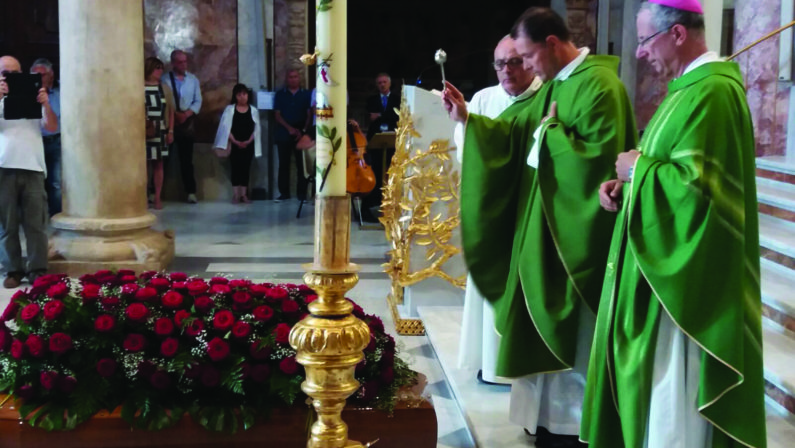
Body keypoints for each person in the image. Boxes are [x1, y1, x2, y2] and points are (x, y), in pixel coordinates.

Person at [443, 7, 636, 447]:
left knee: (575, 331)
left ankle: (575, 425)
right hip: (542, 229)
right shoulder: (558, 84)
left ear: (551, 44)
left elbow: (598, 160)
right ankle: (546, 420)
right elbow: (518, 133)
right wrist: (468, 120)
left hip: (576, 237)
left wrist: (549, 136)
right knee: (539, 320)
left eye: (527, 57)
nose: (525, 67)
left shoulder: (600, 84)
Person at [580, 1, 765, 447]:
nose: (640, 53)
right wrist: (626, 184)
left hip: (685, 287)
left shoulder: (714, 92)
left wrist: (635, 171)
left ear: (678, 34)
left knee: (670, 399)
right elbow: (666, 167)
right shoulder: (687, 88)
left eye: (644, 40)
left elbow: (698, 192)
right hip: (659, 269)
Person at [454, 35, 543, 386]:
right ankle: (488, 362)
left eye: (515, 61)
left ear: (531, 61)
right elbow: (466, 153)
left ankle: (517, 363)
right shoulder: (482, 99)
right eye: (499, 63)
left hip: (527, 209)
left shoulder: (545, 96)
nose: (507, 70)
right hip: (492, 209)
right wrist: (466, 122)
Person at [0, 55, 58, 288]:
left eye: (14, 72)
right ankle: (13, 270)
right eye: (5, 72)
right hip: (3, 166)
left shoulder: (35, 97)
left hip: (33, 166)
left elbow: (52, 126)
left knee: (36, 224)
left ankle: (38, 270)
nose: (9, 77)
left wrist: (45, 104)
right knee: (7, 225)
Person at [162, 49, 202, 204]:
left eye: (185, 61)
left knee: (186, 160)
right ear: (173, 63)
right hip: (169, 122)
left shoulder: (193, 80)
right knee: (163, 159)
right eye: (180, 62)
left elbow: (198, 100)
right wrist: (173, 114)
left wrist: (187, 114)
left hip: (186, 123)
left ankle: (191, 191)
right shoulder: (165, 79)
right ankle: (154, 191)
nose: (184, 64)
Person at [214, 83, 262, 204]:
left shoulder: (253, 110)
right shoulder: (230, 110)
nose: (242, 97)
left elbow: (257, 128)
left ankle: (244, 195)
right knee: (235, 168)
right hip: (234, 143)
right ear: (235, 96)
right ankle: (236, 195)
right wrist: (235, 140)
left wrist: (249, 140)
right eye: (239, 95)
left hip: (248, 144)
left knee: (245, 169)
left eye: (244, 94)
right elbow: (225, 128)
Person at [362, 73, 400, 222]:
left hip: (392, 140)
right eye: (379, 83)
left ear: (389, 84)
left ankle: (391, 206)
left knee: (390, 173)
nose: (382, 85)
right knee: (377, 172)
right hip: (376, 141)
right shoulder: (372, 100)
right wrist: (382, 116)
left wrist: (381, 116)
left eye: (384, 82)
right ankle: (374, 206)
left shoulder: (397, 99)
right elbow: (370, 116)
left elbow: (396, 116)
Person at [273, 69, 312, 202]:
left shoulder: (306, 94)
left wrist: (303, 130)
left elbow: (309, 114)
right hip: (284, 132)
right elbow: (277, 115)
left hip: (301, 133)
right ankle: (284, 193)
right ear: (287, 79)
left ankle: (302, 194)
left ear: (299, 79)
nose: (293, 79)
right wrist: (289, 129)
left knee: (302, 165)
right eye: (290, 77)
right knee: (283, 164)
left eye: (295, 77)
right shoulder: (280, 95)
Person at [30, 58, 61, 217]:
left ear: (51, 75)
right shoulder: (26, 95)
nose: (39, 78)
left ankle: (56, 217)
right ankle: (37, 217)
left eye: (42, 75)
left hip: (55, 142)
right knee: (35, 183)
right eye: (35, 75)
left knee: (55, 182)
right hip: (33, 143)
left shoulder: (60, 92)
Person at [145, 57, 175, 210]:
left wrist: (170, 130)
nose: (160, 71)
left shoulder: (164, 88)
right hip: (143, 131)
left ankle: (157, 197)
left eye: (161, 68)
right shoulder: (139, 87)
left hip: (160, 129)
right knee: (142, 165)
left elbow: (170, 110)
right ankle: (142, 197)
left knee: (158, 164)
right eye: (157, 68)